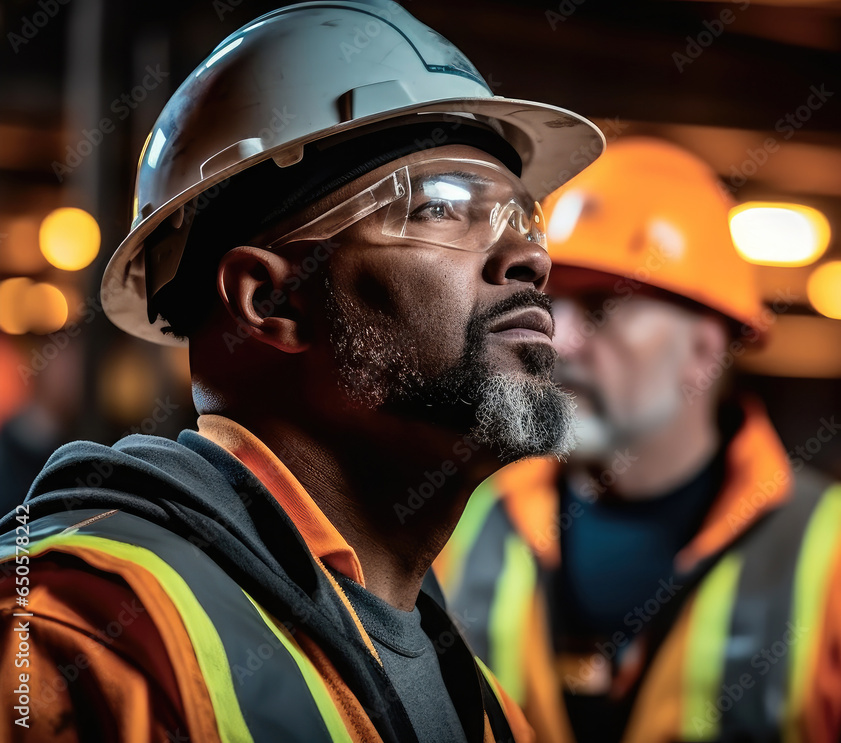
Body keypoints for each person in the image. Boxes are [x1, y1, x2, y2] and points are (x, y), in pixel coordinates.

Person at [0, 2, 605, 740]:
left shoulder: (486, 709)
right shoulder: (69, 639)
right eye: (443, 208)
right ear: (272, 299)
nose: (531, 259)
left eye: (520, 216)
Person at [435, 138, 841, 743]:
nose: (560, 342)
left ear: (704, 347)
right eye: (552, 305)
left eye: (601, 309)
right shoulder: (460, 526)